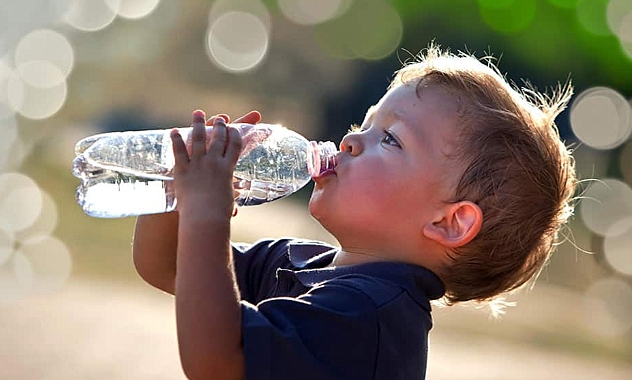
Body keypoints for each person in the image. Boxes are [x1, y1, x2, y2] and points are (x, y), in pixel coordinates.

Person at [131, 43, 577, 380]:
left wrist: (207, 214)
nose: (348, 141)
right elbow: (167, 264)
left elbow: (216, 361)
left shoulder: (370, 317)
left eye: (390, 139)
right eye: (364, 124)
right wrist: (177, 190)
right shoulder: (299, 262)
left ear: (449, 221)